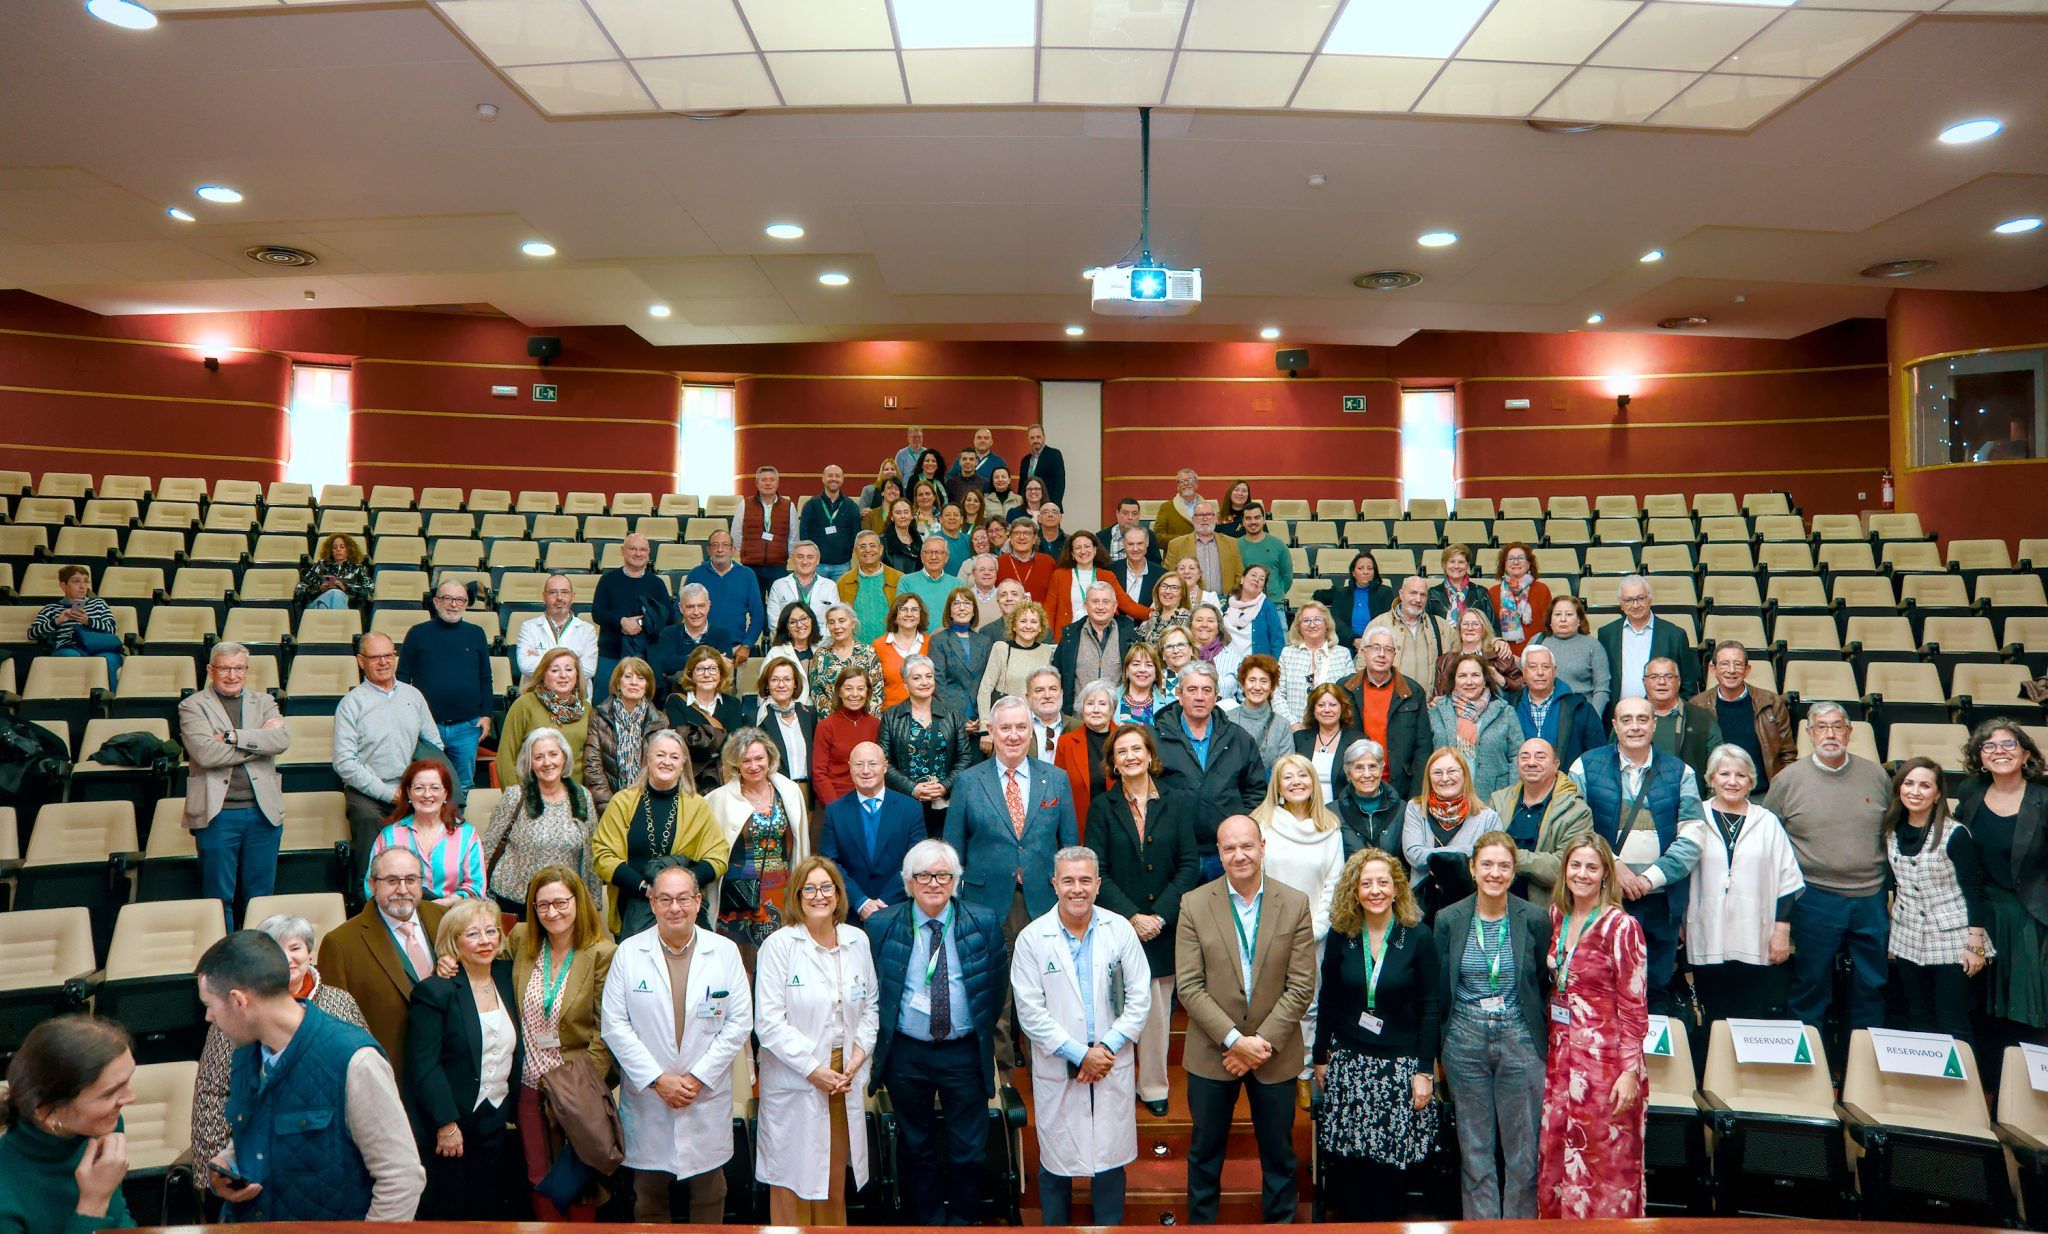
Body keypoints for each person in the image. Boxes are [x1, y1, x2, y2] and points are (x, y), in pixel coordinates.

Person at [196, 932, 424, 1221]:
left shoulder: (354, 1061)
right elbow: (265, 1129)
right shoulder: (243, 1053)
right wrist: (228, 1161)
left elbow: (401, 1178)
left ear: (238, 1001)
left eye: (209, 1006)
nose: (208, 1018)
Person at [1177, 815, 1316, 1225]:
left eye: (1247, 846)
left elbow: (1302, 985)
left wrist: (1258, 1045)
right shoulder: (1194, 903)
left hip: (1274, 1054)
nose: (1239, 855)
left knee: (1279, 1156)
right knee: (1204, 1156)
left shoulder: (1293, 902)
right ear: (1218, 853)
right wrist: (1235, 1041)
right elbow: (1189, 987)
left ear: (1262, 847)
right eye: (1229, 848)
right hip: (1212, 1053)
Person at [600, 862, 754, 1224]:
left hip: (704, 1095)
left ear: (699, 901)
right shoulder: (629, 952)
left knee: (710, 1193)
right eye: (665, 899)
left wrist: (698, 1078)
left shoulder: (725, 951)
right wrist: (658, 1080)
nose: (675, 908)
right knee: (649, 1197)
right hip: (651, 1097)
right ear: (651, 902)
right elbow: (614, 1025)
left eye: (683, 898)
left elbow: (739, 1022)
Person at [865, 839, 1009, 1225]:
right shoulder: (880, 925)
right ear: (908, 882)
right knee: (916, 1146)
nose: (933, 883)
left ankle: (962, 1222)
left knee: (969, 1149)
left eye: (942, 875)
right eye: (923, 875)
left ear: (956, 881)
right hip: (906, 1053)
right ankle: (928, 1223)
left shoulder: (984, 921)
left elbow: (995, 990)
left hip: (963, 1051)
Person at [1011, 846, 1152, 1226]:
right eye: (1069, 880)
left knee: (1109, 1161)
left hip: (1109, 1062)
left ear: (1098, 884)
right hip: (1061, 1065)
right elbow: (1030, 1012)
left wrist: (1104, 1049)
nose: (1078, 889)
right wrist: (1078, 1053)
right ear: (1054, 884)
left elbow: (1140, 997)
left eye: (1085, 880)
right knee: (1056, 1161)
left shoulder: (1119, 929)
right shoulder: (1031, 938)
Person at [191, 915, 368, 1194]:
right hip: (253, 1170)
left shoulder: (340, 1003)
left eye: (295, 948)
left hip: (332, 1165)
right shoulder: (233, 1012)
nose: (288, 958)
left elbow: (363, 1084)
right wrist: (214, 1172)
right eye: (277, 949)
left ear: (310, 953)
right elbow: (212, 1092)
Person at [1315, 847, 1442, 1222]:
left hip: (1399, 1068)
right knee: (1351, 1169)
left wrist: (1424, 1071)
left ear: (1397, 888)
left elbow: (1430, 1007)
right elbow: (1329, 999)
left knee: (1390, 1172)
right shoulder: (1342, 935)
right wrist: (1321, 1056)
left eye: (1383, 882)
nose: (1375, 890)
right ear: (1354, 890)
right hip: (1350, 1063)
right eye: (1366, 883)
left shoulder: (1417, 937)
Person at [753, 855, 880, 1223]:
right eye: (809, 888)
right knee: (790, 1178)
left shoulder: (857, 941)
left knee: (831, 1175)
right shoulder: (779, 946)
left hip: (843, 1075)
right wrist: (812, 1070)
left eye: (826, 887)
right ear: (797, 895)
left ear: (839, 894)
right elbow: (769, 1022)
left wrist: (858, 1056)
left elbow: (870, 1006)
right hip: (798, 1073)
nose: (819, 896)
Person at [1435, 831, 1551, 1219]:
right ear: (1472, 868)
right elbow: (1441, 987)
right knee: (1475, 1152)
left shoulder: (1534, 918)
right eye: (1487, 864)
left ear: (1514, 871)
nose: (1495, 873)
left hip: (1520, 1036)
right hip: (1464, 1040)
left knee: (1523, 1153)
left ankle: (1518, 1228)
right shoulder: (1448, 919)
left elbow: (1541, 982)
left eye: (1503, 865)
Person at [1567, 697, 1707, 1015]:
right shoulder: (1584, 766)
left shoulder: (1680, 771)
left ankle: (1652, 1063)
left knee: (1655, 987)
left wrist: (1648, 878)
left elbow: (1692, 836)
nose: (1635, 726)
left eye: (1642, 719)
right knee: (1601, 984)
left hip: (1659, 901)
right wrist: (1613, 867)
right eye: (1626, 719)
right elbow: (1575, 830)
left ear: (1654, 724)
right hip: (1603, 899)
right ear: (1614, 725)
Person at [1089, 724, 1202, 1117]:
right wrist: (1132, 917)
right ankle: (1114, 1084)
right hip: (1118, 924)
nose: (1131, 757)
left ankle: (1152, 1085)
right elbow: (1097, 867)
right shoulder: (1103, 807)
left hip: (1163, 926)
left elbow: (1189, 865)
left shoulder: (1176, 801)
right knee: (1113, 1007)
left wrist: (1159, 916)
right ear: (1113, 762)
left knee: (1156, 1011)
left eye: (1137, 749)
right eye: (1122, 752)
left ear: (1151, 756)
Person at [1762, 699, 1892, 1032]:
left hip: (1871, 898)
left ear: (1849, 732)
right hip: (1815, 898)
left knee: (1872, 986)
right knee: (1811, 985)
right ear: (1809, 732)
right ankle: (1812, 1071)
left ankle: (1863, 1068)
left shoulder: (1876, 775)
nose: (1830, 734)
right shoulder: (1787, 780)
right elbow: (1769, 841)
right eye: (1822, 726)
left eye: (1837, 726)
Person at [1538, 834, 1649, 1219]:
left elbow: (1635, 1008)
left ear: (1605, 874)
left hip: (1606, 1066)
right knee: (1557, 1159)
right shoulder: (1556, 915)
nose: (1581, 874)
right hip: (1561, 1058)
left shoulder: (1622, 927)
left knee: (1603, 1165)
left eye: (1591, 867)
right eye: (1575, 865)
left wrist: (1629, 1072)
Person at [505, 866, 615, 1221]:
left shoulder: (601, 952)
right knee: (539, 1174)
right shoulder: (522, 939)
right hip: (529, 1081)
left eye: (560, 903)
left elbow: (605, 1031)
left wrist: (584, 1088)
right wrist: (449, 960)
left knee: (579, 1178)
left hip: (576, 1085)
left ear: (578, 902)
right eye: (542, 906)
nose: (552, 913)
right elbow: (482, 970)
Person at [401, 900, 522, 1219]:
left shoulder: (508, 977)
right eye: (473, 934)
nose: (485, 940)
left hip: (495, 1118)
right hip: (450, 1125)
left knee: (489, 1207)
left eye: (491, 931)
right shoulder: (436, 991)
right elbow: (424, 1065)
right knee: (451, 1211)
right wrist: (446, 1123)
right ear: (453, 942)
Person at [1684, 743, 1802, 1023]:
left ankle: (1744, 1068)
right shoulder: (1694, 818)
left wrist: (1781, 931)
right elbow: (1681, 874)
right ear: (1711, 779)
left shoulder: (1767, 821)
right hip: (1705, 929)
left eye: (1741, 775)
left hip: (1754, 933)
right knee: (1712, 1012)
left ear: (1752, 782)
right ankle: (1715, 1067)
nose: (1732, 782)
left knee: (1749, 1013)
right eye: (1724, 774)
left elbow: (1787, 878)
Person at [943, 694, 1081, 932]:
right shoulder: (968, 781)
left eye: (1021, 727)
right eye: (1005, 727)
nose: (1013, 735)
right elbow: (952, 851)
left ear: (1031, 731)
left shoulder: (1057, 779)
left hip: (1045, 901)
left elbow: (1069, 849)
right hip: (984, 903)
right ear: (991, 730)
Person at [179, 640, 291, 926]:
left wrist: (231, 737)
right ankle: (226, 965)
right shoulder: (192, 706)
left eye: (239, 668)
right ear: (210, 670)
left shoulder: (264, 702)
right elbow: (205, 753)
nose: (232, 675)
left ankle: (259, 961)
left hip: (262, 813)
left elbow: (281, 740)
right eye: (225, 669)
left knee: (261, 896)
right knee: (219, 897)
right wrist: (257, 740)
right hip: (218, 813)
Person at [1954, 721, 2048, 1055]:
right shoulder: (1970, 792)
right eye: (1989, 746)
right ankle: (1990, 1087)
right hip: (1981, 915)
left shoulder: (2044, 797)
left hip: (2032, 918)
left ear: (2025, 753)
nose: (2000, 752)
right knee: (1982, 1008)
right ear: (1979, 756)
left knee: (2027, 1010)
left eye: (2009, 745)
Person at [1252, 754, 1347, 1085]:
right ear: (1277, 786)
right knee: (1268, 1002)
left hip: (1314, 934)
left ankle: (1305, 1075)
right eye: (1287, 776)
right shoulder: (1262, 825)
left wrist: (1314, 929)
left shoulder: (1330, 829)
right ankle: (1271, 1070)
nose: (1296, 782)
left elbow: (1335, 884)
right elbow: (1254, 879)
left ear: (1314, 783)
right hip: (1267, 931)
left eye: (1302, 775)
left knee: (1309, 1004)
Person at [1886, 756, 1993, 1042]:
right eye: (1908, 783)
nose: (1915, 791)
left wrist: (1976, 945)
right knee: (1918, 1015)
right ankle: (1926, 1084)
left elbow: (1974, 890)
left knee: (1952, 1019)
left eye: (1924, 785)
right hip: (1908, 936)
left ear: (1937, 794)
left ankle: (1964, 1086)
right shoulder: (1890, 830)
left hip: (1953, 938)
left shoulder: (1955, 834)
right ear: (1899, 788)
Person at [0, 1015, 136, 1234]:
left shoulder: (102, 1126)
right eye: (111, 1092)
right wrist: (93, 1204)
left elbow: (120, 1218)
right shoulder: (5, 1195)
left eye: (128, 1081)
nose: (131, 1097)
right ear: (48, 1113)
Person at [318, 846, 449, 1073]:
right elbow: (335, 1027)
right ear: (372, 885)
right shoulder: (340, 943)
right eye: (391, 881)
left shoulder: (445, 919)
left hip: (448, 1069)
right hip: (388, 1073)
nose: (402, 889)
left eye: (411, 879)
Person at [591, 728, 727, 936]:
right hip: (632, 910)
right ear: (648, 759)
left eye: (674, 757)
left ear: (683, 764)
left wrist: (677, 890)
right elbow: (603, 855)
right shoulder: (622, 802)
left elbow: (718, 858)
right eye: (660, 755)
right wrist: (648, 890)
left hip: (681, 911)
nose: (667, 762)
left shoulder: (697, 806)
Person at [333, 632, 445, 878]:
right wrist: (387, 793)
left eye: (388, 655)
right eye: (375, 657)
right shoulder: (351, 704)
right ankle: (371, 902)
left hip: (411, 788)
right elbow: (345, 763)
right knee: (374, 854)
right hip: (369, 794)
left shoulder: (413, 696)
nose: (383, 662)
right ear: (361, 661)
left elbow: (434, 744)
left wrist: (417, 786)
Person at [1154, 662, 1267, 879]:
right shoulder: (1156, 738)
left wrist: (1236, 824)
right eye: (1192, 689)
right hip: (1174, 851)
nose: (1199, 697)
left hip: (1225, 852)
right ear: (1178, 693)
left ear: (1216, 695)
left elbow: (1256, 790)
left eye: (1207, 690)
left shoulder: (1239, 738)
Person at [703, 728, 811, 952]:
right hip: (737, 894)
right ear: (736, 764)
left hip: (780, 888)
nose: (754, 766)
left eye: (759, 758)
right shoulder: (718, 799)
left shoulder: (789, 792)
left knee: (782, 956)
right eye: (746, 761)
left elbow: (794, 844)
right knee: (741, 962)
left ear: (769, 758)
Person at [483, 727, 599, 915]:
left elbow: (591, 854)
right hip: (516, 903)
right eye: (538, 757)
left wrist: (593, 905)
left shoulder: (582, 796)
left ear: (564, 757)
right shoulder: (515, 796)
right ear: (529, 763)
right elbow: (487, 848)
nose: (547, 763)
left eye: (553, 754)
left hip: (564, 904)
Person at [398, 579, 494, 796]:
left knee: (464, 787)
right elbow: (402, 679)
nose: (453, 604)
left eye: (460, 600)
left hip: (467, 727)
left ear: (466, 604)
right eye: (448, 598)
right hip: (427, 729)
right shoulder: (417, 633)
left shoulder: (476, 633)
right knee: (426, 787)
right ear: (436, 601)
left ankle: (459, 829)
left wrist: (487, 714)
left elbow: (485, 677)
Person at [822, 741, 924, 918]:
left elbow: (918, 861)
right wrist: (861, 902)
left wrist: (885, 902)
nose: (866, 770)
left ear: (885, 767)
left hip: (899, 909)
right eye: (859, 764)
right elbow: (829, 862)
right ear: (850, 768)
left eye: (873, 764)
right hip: (851, 911)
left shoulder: (910, 808)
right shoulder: (835, 811)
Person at [362, 760, 486, 904]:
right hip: (400, 916)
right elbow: (372, 886)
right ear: (408, 792)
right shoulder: (389, 835)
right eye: (419, 788)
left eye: (435, 788)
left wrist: (445, 903)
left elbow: (476, 886)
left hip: (452, 917)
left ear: (445, 793)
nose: (427, 795)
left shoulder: (466, 834)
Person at [880, 655, 977, 836]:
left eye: (929, 676)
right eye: (916, 678)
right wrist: (912, 788)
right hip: (905, 802)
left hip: (945, 803)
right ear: (905, 683)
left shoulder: (953, 715)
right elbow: (884, 762)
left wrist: (945, 786)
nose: (924, 682)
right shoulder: (891, 716)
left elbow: (964, 757)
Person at [1405, 747, 1506, 913]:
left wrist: (1432, 854)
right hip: (1421, 907)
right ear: (1428, 778)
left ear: (1465, 774)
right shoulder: (1416, 808)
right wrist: (1471, 850)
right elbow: (1414, 855)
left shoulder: (1488, 817)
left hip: (1469, 907)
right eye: (1437, 773)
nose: (1445, 778)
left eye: (1452, 771)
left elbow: (1493, 860)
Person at [1490, 738, 1592, 902]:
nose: (1531, 763)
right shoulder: (1498, 802)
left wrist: (1510, 857)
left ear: (1556, 764)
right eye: (1524, 757)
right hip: (1498, 906)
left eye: (1540, 757)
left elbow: (1567, 867)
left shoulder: (1575, 810)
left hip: (1547, 912)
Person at [1693, 640, 1795, 796]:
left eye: (1738, 664)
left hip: (1763, 795)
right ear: (1713, 669)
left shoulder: (1771, 702)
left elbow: (1787, 754)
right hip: (1715, 795)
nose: (1732, 670)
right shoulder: (1698, 705)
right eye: (1724, 664)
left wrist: (1783, 792)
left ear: (1747, 670)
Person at [1345, 626, 1432, 798]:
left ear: (1394, 655)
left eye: (1388, 649)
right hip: (1354, 786)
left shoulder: (1412, 692)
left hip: (1400, 788)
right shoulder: (1345, 689)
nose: (1382, 654)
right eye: (1376, 647)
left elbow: (1423, 748)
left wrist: (1417, 796)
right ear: (1363, 651)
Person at [583, 657, 672, 813]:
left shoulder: (659, 720)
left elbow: (662, 767)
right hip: (609, 806)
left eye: (640, 678)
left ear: (647, 685)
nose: (634, 682)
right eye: (628, 676)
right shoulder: (599, 716)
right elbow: (593, 766)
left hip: (648, 806)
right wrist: (610, 808)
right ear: (618, 682)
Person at [1429, 653, 1522, 798]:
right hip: (1446, 799)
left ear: (1485, 680)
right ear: (1454, 680)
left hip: (1493, 799)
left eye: (1475, 675)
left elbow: (1517, 756)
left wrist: (1512, 796)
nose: (1469, 681)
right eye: (1462, 676)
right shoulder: (1436, 711)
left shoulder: (1505, 712)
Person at [496, 648, 590, 790]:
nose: (563, 675)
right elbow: (506, 757)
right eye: (555, 670)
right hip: (531, 797)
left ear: (577, 675)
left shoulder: (586, 709)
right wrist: (514, 797)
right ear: (543, 674)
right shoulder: (525, 704)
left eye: (569, 669)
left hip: (574, 797)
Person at [593, 534, 670, 703]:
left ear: (649, 553)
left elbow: (668, 618)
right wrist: (621, 621)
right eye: (633, 549)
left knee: (646, 707)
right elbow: (597, 612)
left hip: (647, 656)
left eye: (643, 550)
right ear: (623, 551)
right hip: (611, 654)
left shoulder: (657, 583)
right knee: (603, 705)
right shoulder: (608, 580)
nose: (638, 553)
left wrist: (641, 623)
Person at [1599, 575, 1697, 702]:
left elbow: (1688, 685)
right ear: (1621, 604)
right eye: (1628, 600)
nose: (1635, 605)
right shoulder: (1606, 634)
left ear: (1650, 599)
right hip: (1617, 714)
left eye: (1640, 598)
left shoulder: (1675, 635)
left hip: (1661, 715)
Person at [1509, 643, 1604, 770]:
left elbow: (1597, 756)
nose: (1540, 672)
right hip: (1520, 785)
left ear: (1555, 671)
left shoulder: (1580, 708)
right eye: (1533, 667)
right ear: (1524, 673)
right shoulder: (1510, 706)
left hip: (1568, 785)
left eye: (1546, 667)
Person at [667, 646, 743, 794]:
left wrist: (699, 735)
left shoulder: (733, 704)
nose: (707, 674)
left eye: (713, 669)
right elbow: (683, 745)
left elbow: (734, 746)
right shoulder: (676, 702)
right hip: (689, 780)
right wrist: (720, 737)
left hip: (724, 781)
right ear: (691, 674)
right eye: (700, 669)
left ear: (721, 673)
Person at [1276, 604, 1359, 737]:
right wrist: (1293, 724)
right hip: (1294, 732)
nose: (1312, 624)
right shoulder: (1287, 653)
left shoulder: (1342, 654)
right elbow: (1277, 693)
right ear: (1299, 627)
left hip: (1332, 732)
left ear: (1327, 625)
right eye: (1306, 620)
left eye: (1317, 619)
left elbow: (1348, 696)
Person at [650, 584, 744, 702]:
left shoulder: (722, 634)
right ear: (680, 608)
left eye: (701, 606)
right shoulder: (669, 633)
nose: (696, 612)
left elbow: (724, 668)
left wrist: (683, 666)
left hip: (716, 700)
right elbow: (666, 664)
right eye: (690, 607)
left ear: (708, 606)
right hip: (678, 700)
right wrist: (711, 660)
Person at [1053, 580, 1138, 705]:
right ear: (1085, 605)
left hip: (1119, 716)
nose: (1100, 607)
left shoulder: (1130, 636)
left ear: (1114, 606)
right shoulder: (1070, 637)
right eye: (1095, 601)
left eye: (1106, 602)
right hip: (1079, 717)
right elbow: (1058, 675)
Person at [1047, 531, 1146, 633]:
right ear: (1072, 553)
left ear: (1095, 550)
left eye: (1087, 546)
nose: (1083, 551)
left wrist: (1154, 614)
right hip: (1068, 637)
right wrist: (1048, 638)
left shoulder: (1107, 576)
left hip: (1103, 637)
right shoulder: (1059, 575)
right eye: (1078, 548)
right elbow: (1049, 610)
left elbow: (1127, 605)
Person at [1530, 593, 1610, 717]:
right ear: (1550, 619)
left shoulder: (1593, 645)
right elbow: (1524, 677)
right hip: (1541, 714)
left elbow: (1602, 688)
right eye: (1557, 614)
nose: (1563, 619)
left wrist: (1593, 718)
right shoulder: (1537, 641)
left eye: (1569, 614)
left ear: (1579, 620)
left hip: (1580, 714)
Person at [1368, 576, 1455, 689]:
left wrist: (1444, 696)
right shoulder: (1379, 624)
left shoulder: (1441, 626)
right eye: (1413, 593)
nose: (1418, 599)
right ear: (1401, 594)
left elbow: (1457, 665)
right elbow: (1363, 667)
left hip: (1429, 704)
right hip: (1391, 704)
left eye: (1422, 595)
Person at [687, 530, 768, 652]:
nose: (720, 549)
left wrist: (747, 645)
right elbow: (680, 611)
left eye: (725, 545)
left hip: (736, 649)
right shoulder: (695, 574)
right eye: (715, 545)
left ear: (733, 550)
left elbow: (758, 615)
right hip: (699, 649)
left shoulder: (747, 575)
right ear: (708, 550)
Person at [813, 665, 882, 806]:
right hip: (836, 801)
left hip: (870, 802)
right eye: (848, 688)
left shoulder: (876, 725)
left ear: (868, 693)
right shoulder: (826, 726)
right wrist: (835, 809)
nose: (855, 694)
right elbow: (819, 774)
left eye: (860, 689)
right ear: (839, 692)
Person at [748, 656, 815, 800]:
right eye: (774, 680)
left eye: (787, 679)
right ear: (767, 685)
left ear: (795, 684)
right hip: (773, 793)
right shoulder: (755, 718)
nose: (781, 685)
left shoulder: (808, 714)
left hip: (808, 792)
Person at [1054, 679, 1118, 825]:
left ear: (1112, 709)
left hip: (1119, 825)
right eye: (1090, 704)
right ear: (1082, 709)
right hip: (1080, 825)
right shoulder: (1066, 743)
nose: (1096, 710)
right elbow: (1058, 790)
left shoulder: (1125, 739)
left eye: (1102, 704)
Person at [514, 574, 598, 685]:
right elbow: (524, 665)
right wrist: (571, 664)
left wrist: (542, 661)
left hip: (575, 698)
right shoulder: (528, 627)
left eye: (564, 592)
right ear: (544, 597)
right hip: (537, 698)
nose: (559, 597)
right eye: (553, 592)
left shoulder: (587, 630)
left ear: (572, 597)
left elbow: (588, 669)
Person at [977, 599, 1055, 719]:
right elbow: (985, 689)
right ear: (1014, 626)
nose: (1028, 626)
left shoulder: (1046, 651)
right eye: (1023, 621)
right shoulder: (1001, 648)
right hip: (1006, 719)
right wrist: (984, 726)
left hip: (1037, 721)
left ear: (1040, 627)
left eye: (1034, 622)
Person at [1645, 656, 1720, 780]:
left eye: (1669, 677)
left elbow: (1719, 763)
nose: (1662, 682)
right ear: (1644, 681)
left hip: (1689, 795)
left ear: (1679, 681)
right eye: (1654, 677)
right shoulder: (1629, 717)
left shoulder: (1702, 718)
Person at [1291, 683, 1366, 804]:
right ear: (1313, 710)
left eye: (1333, 705)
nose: (1327, 710)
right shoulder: (1298, 739)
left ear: (1342, 709)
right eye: (1321, 705)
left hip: (1343, 812)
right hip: (1303, 811)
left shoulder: (1357, 741)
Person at [931, 586, 994, 723]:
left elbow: (989, 681)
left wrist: (984, 719)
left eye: (967, 603)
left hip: (981, 716)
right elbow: (938, 684)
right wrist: (959, 719)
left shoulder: (984, 641)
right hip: (950, 716)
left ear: (973, 611)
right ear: (950, 611)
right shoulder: (939, 640)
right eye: (956, 603)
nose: (962, 608)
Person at [1334, 738, 1405, 857]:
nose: (1367, 774)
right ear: (1348, 773)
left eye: (1372, 766)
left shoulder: (1404, 810)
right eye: (1359, 768)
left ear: (1382, 769)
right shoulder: (1332, 813)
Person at [810, 602, 884, 715]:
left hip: (864, 722)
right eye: (831, 622)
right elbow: (816, 692)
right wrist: (837, 721)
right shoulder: (820, 655)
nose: (836, 626)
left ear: (852, 624)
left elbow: (877, 691)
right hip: (832, 724)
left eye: (841, 621)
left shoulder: (868, 653)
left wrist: (862, 721)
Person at [731, 464, 796, 593]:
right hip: (751, 567)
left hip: (778, 566)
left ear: (777, 483)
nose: (768, 483)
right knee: (755, 606)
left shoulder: (789, 506)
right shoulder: (745, 504)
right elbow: (736, 532)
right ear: (757, 483)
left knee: (778, 606)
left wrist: (786, 555)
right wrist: (743, 552)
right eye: (764, 480)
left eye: (772, 480)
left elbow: (794, 535)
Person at [1433, 608, 1524, 699]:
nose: (1470, 628)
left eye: (1475, 624)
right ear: (1459, 629)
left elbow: (1521, 686)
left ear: (1484, 629)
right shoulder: (1444, 661)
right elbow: (1438, 695)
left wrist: (1501, 679)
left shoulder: (1501, 655)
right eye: (1465, 624)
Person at [1224, 654, 1292, 768]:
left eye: (1264, 681)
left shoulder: (1282, 725)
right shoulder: (1227, 719)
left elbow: (1285, 770)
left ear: (1272, 687)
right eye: (1252, 680)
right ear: (1242, 684)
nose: (1257, 687)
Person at [1168, 500, 1244, 601]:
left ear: (1215, 518)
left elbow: (1239, 575)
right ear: (1193, 519)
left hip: (1224, 602)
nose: (1205, 519)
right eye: (1200, 515)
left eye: (1209, 514)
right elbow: (1169, 576)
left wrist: (1232, 597)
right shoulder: (1176, 545)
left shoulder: (1231, 543)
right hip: (1189, 602)